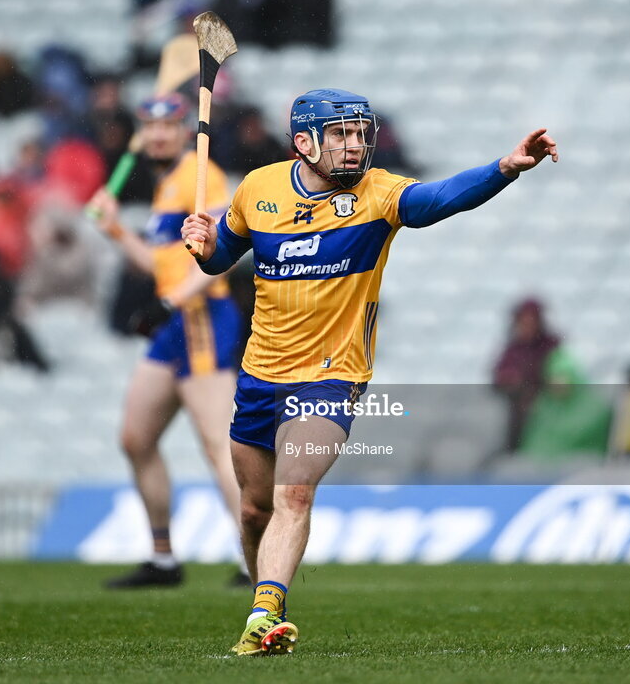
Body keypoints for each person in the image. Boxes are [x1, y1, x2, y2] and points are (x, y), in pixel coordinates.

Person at [180, 88, 558, 655]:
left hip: (332, 377)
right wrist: (204, 247)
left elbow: (441, 198)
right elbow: (219, 257)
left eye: (361, 134)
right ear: (304, 142)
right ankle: (264, 591)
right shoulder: (258, 189)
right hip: (260, 376)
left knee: (295, 493)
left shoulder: (379, 194)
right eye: (341, 135)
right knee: (255, 507)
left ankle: (265, 615)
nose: (356, 146)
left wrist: (505, 168)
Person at [86, 93, 247, 589]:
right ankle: (163, 560)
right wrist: (113, 229)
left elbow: (223, 254)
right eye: (149, 127)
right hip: (172, 322)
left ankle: (255, 559)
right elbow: (159, 263)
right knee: (135, 439)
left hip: (200, 315)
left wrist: (172, 301)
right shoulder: (165, 187)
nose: (157, 135)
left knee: (219, 446)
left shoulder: (204, 177)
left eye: (168, 126)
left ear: (183, 131)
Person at [492, 298, 560, 453]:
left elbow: (558, 375)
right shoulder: (512, 349)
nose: (527, 326)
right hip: (518, 405)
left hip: (547, 403)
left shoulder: (551, 346)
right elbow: (498, 377)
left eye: (531, 321)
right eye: (523, 321)